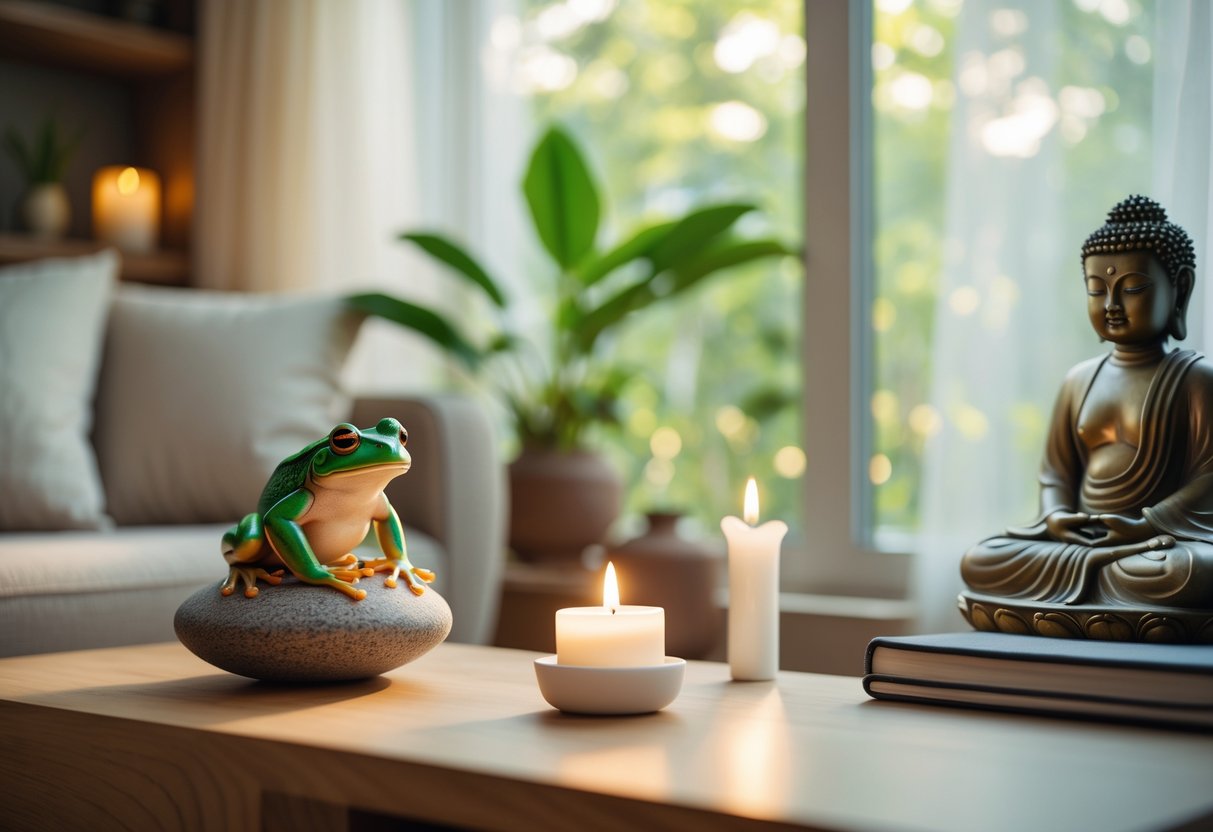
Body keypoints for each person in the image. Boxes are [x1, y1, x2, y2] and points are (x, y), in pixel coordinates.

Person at [960, 195, 1213, 621]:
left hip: (1154, 544)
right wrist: (1057, 517)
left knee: (1185, 571)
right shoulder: (1079, 380)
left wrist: (1148, 524)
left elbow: (1210, 476)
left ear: (1180, 288)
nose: (1111, 304)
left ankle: (1084, 600)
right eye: (1097, 290)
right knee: (980, 559)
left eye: (1131, 288)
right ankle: (1101, 596)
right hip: (1078, 545)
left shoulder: (1194, 379)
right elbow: (1056, 475)